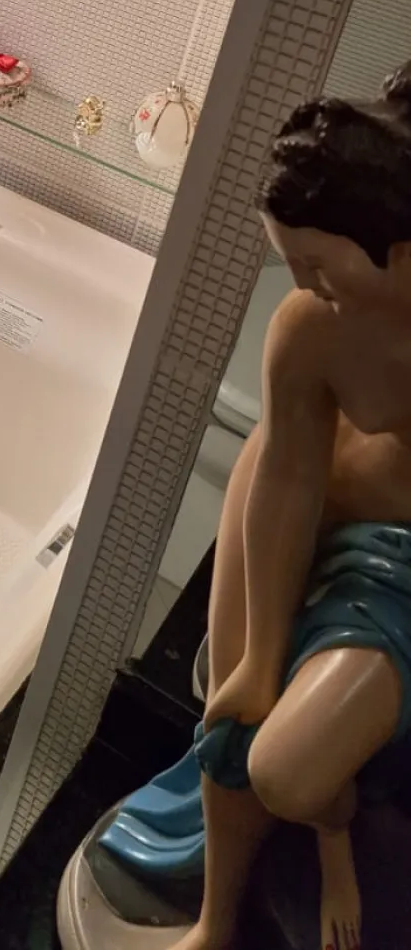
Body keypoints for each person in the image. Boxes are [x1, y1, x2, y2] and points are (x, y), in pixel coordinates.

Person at [178, 62, 411, 950]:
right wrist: (261, 656)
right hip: (301, 495)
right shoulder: (312, 325)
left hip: (397, 571)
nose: (303, 283)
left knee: (289, 766)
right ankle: (214, 918)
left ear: (400, 247)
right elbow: (285, 477)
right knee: (234, 714)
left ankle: (332, 836)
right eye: (291, 261)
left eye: (317, 263)